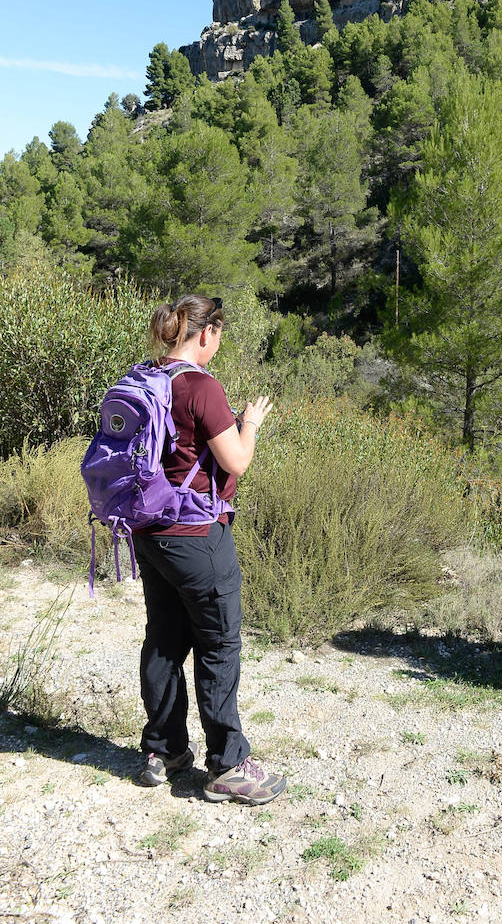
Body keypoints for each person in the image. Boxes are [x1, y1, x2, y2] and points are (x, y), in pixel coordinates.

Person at [133, 294, 286, 804]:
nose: (218, 344)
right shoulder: (202, 387)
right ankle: (228, 765)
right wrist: (252, 423)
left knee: (164, 639)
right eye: (218, 335)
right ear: (206, 334)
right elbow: (236, 461)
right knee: (219, 643)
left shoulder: (145, 378)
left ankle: (164, 751)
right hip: (198, 536)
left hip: (150, 531)